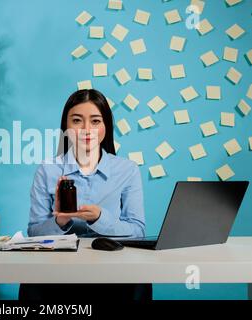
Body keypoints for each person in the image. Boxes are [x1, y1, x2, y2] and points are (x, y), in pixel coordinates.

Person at [18, 89, 152, 301]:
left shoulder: (127, 170)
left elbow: (137, 231)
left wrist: (100, 218)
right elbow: (34, 232)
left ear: (106, 126)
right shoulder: (48, 169)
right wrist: (60, 221)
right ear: (66, 127)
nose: (86, 129)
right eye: (77, 120)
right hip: (58, 271)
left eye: (96, 121)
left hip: (112, 269)